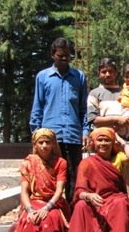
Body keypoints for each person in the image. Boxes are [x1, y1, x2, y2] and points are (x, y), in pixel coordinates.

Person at [29, 37, 88, 201]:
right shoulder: (43, 77)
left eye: (67, 56)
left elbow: (83, 108)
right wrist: (36, 134)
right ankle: (51, 216)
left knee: (73, 178)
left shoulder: (79, 77)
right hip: (49, 138)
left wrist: (85, 131)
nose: (64, 59)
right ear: (52, 55)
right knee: (47, 177)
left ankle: (72, 217)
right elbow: (37, 107)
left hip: (73, 136)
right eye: (60, 55)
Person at [87, 58, 129, 218]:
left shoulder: (127, 90)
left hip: (127, 144)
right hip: (105, 148)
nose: (107, 74)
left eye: (111, 71)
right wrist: (116, 122)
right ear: (99, 73)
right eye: (104, 71)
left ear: (117, 73)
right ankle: (104, 217)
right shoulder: (94, 94)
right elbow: (93, 119)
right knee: (105, 184)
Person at [66, 127, 129, 232]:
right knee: (81, 206)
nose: (103, 143)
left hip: (114, 199)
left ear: (113, 142)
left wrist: (119, 139)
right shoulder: (86, 163)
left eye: (107, 140)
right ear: (94, 143)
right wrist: (89, 196)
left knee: (121, 203)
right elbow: (79, 190)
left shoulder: (118, 157)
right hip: (93, 200)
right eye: (100, 140)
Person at [6, 128, 71, 232]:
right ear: (35, 145)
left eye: (48, 142)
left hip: (54, 203)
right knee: (29, 220)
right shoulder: (28, 163)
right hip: (33, 203)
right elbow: (24, 191)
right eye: (41, 142)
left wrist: (46, 208)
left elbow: (59, 190)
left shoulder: (61, 162)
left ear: (53, 144)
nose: (44, 146)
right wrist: (30, 210)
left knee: (50, 220)